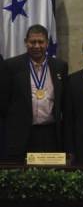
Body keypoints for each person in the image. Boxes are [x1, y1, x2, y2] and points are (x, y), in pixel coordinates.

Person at [4, 24, 68, 161]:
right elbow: (4, 102)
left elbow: (64, 103)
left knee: (51, 177)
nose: (37, 46)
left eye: (41, 42)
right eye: (33, 42)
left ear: (47, 43)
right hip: (21, 134)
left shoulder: (59, 66)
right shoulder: (11, 66)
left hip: (51, 134)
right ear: (26, 42)